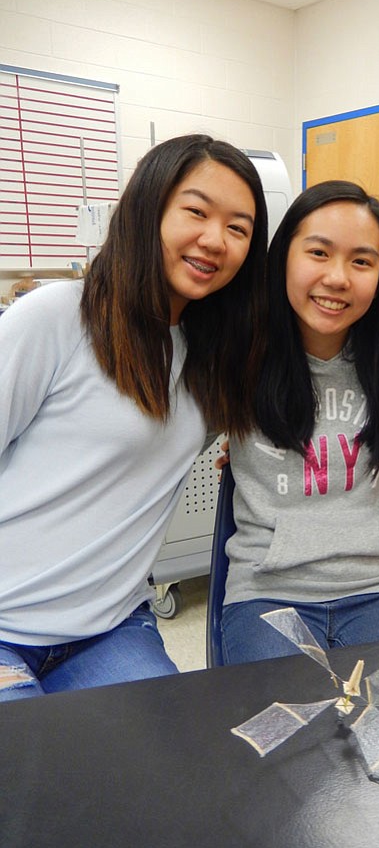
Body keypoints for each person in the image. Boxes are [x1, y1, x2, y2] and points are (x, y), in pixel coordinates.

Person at [0, 134, 268, 700]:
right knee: (30, 778)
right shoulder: (55, 318)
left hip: (111, 627)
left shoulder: (213, 353)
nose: (214, 240)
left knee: (165, 775)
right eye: (195, 211)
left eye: (239, 228)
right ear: (148, 209)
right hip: (5, 624)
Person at [217, 180, 379, 664]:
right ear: (283, 258)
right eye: (318, 252)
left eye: (361, 261)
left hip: (378, 589)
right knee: (290, 730)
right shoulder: (239, 359)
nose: (338, 278)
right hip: (268, 591)